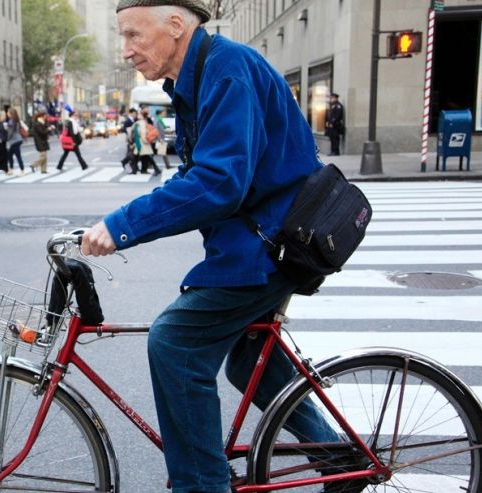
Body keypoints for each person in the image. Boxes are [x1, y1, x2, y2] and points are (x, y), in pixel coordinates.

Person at [81, 3, 351, 493]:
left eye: (133, 35)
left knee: (174, 344)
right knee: (251, 362)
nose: (126, 51)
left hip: (270, 244)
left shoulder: (227, 71)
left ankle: (203, 486)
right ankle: (335, 460)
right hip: (260, 238)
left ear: (176, 26)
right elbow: (202, 174)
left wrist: (121, 226)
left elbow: (217, 183)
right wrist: (127, 219)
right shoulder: (200, 75)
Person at [131, 109, 161, 176]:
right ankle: (139, 170)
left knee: (145, 156)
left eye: (139, 114)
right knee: (142, 157)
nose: (138, 115)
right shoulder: (140, 122)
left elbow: (142, 132)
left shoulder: (141, 122)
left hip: (142, 142)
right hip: (140, 142)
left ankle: (156, 169)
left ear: (142, 116)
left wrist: (145, 140)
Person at [5, 107, 26, 175]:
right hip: (18, 139)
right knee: (10, 155)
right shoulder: (16, 120)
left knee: (15, 155)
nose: (7, 113)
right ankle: (12, 170)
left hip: (15, 140)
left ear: (11, 114)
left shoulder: (11, 121)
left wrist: (6, 138)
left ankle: (21, 170)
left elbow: (10, 132)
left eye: (8, 112)